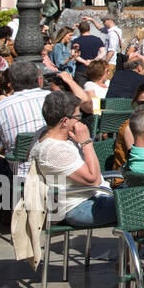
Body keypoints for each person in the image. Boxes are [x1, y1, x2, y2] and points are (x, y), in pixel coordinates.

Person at [29, 90, 117, 229]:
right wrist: (86, 143)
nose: (80, 120)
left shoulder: (45, 132)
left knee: (140, 194)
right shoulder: (54, 149)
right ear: (64, 121)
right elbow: (93, 180)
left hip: (93, 197)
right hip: (80, 206)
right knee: (142, 206)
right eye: (77, 116)